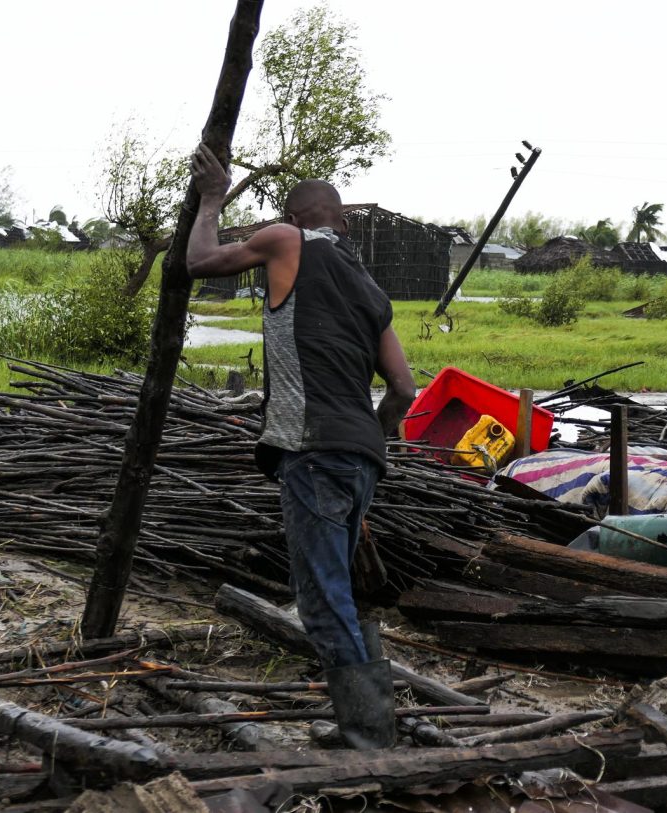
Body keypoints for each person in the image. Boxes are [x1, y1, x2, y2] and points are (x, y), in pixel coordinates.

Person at [186, 144, 416, 749]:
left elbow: (200, 261)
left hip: (313, 451)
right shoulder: (371, 290)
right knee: (339, 584)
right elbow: (403, 389)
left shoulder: (286, 240)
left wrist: (212, 197)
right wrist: (375, 435)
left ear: (295, 216)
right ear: (341, 220)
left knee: (320, 598)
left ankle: (370, 738)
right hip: (361, 457)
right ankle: (374, 723)